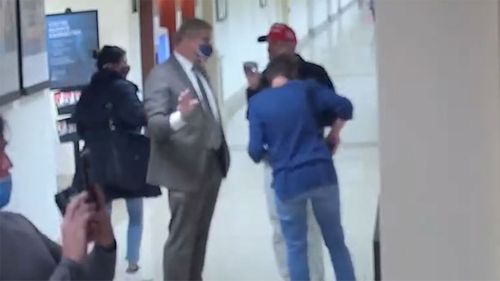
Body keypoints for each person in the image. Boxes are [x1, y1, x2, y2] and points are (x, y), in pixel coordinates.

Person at [247, 55, 356, 281]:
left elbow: (255, 151)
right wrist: (334, 135)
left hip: (288, 181)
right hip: (321, 173)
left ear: (269, 77)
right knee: (336, 242)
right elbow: (345, 107)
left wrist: (276, 156)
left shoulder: (257, 103)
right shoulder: (307, 89)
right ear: (293, 73)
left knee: (295, 246)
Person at [144, 18, 230, 281]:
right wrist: (180, 116)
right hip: (183, 170)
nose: (209, 46)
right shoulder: (161, 74)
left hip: (210, 166)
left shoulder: (199, 71)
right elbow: (156, 126)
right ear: (186, 41)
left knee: (200, 235)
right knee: (181, 240)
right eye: (205, 41)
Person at [73, 45, 161, 274]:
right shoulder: (124, 89)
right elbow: (137, 117)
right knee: (135, 212)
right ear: (112, 65)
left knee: (104, 211)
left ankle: (104, 258)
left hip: (98, 160)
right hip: (127, 156)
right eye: (123, 61)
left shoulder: (88, 92)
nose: (126, 66)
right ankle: (132, 261)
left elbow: (80, 126)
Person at [0, 116, 117, 280]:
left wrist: (104, 243)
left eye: (3, 150)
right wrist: (69, 263)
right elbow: (69, 268)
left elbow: (87, 277)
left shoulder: (17, 224)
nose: (7, 164)